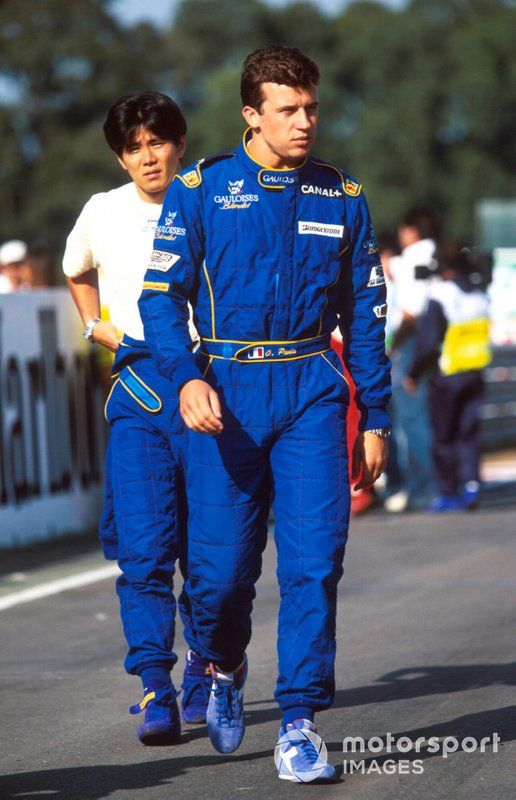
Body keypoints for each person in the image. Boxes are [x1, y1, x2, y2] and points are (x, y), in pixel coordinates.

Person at [139, 45, 391, 781]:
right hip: (226, 396)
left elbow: (367, 313)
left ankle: (300, 722)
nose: (306, 121)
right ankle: (220, 661)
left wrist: (374, 414)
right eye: (289, 109)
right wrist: (185, 377)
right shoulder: (203, 189)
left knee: (315, 564)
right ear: (252, 114)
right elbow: (160, 297)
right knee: (219, 578)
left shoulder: (341, 196)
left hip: (313, 391)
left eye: (312, 107)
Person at [62, 91, 211, 745]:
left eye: (158, 141)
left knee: (214, 555)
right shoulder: (101, 211)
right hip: (143, 396)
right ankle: (157, 686)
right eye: (134, 147)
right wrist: (97, 327)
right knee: (145, 554)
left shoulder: (212, 196)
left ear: (179, 143)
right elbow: (76, 270)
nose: (148, 156)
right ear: (120, 158)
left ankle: (209, 671)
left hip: (212, 391)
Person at [405, 245, 491, 511]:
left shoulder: (441, 294)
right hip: (475, 372)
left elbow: (428, 342)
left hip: (447, 375)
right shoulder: (479, 293)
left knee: (443, 437)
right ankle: (471, 486)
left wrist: (414, 373)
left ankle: (448, 492)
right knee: (468, 433)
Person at [385, 207, 438, 512]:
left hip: (413, 342)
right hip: (441, 344)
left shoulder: (408, 261)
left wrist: (394, 345)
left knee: (412, 418)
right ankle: (442, 483)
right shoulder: (437, 255)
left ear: (411, 231)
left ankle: (422, 488)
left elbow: (409, 312)